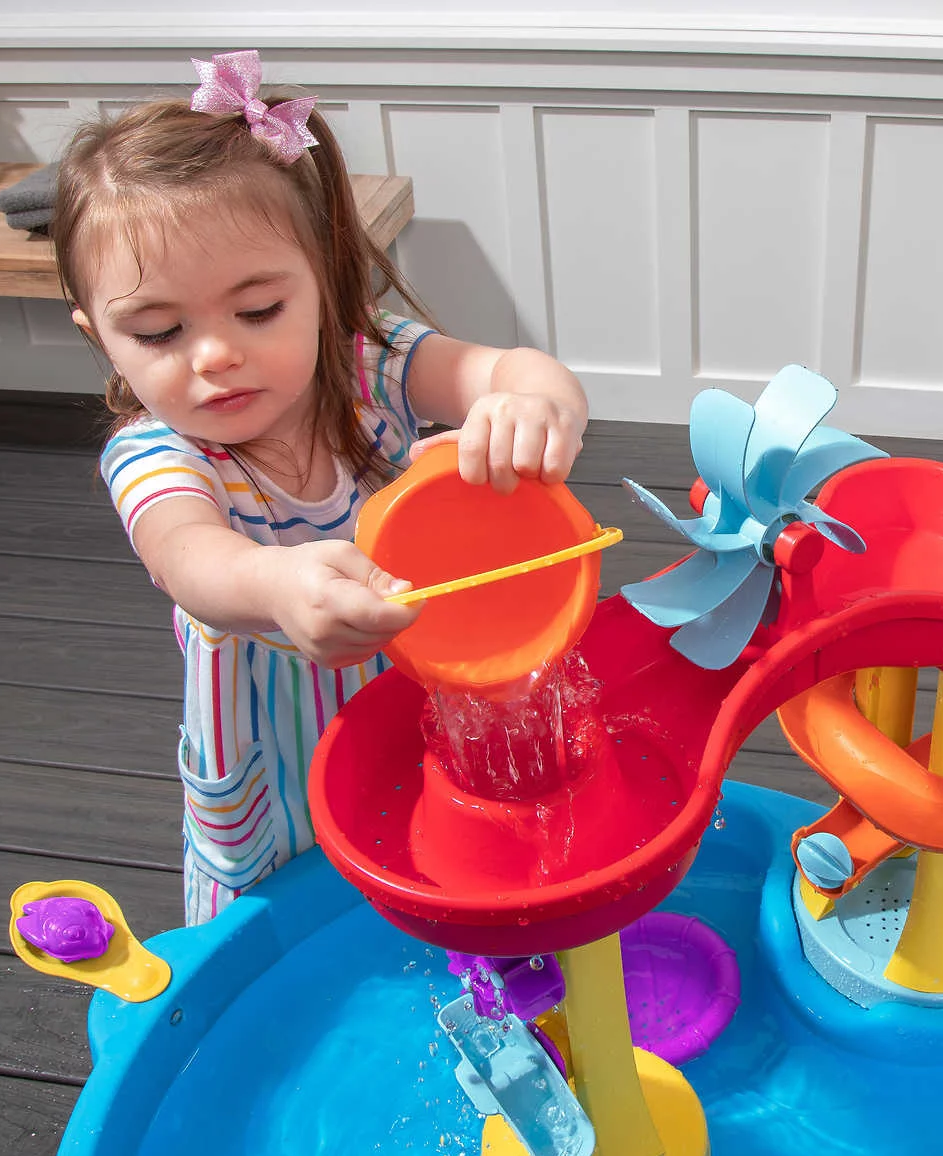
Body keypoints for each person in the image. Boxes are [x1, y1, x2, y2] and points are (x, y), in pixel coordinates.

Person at [51, 50, 588, 924]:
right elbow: (192, 559)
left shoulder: (373, 367)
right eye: (158, 331)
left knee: (442, 858)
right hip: (280, 759)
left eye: (258, 311)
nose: (215, 355)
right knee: (295, 930)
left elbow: (516, 370)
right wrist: (274, 583)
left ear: (324, 279)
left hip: (426, 703)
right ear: (99, 337)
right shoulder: (159, 453)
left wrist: (534, 406)